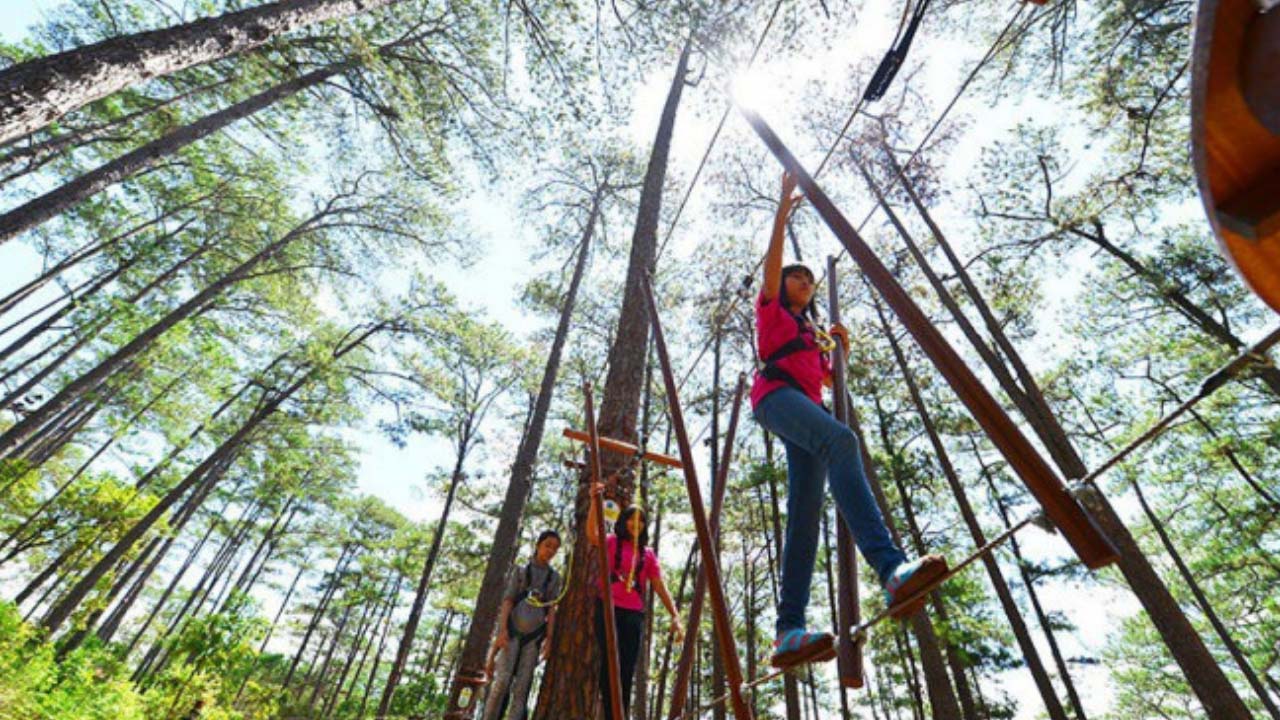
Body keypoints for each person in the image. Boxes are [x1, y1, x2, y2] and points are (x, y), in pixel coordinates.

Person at [751, 170, 947, 670]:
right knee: (842, 442)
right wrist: (780, 210)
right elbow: (771, 267)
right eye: (798, 275)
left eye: (808, 279)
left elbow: (827, 384)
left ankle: (787, 630)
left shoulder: (814, 335)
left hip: (805, 409)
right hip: (776, 399)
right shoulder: (774, 313)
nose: (804, 281)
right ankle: (890, 568)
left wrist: (842, 351)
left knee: (804, 516)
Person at [586, 485, 683, 720]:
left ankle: (620, 714)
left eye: (640, 522)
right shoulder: (611, 542)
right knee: (610, 659)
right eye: (631, 520)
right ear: (623, 522)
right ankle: (610, 712)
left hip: (633, 613)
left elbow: (659, 585)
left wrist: (675, 615)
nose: (635, 525)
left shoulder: (647, 554)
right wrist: (593, 502)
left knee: (627, 667)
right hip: (608, 607)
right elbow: (592, 534)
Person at [483, 531, 563, 720]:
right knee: (501, 682)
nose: (551, 550)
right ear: (538, 545)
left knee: (522, 688)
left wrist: (549, 639)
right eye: (548, 545)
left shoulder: (554, 578)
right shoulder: (520, 571)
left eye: (555, 548)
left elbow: (551, 609)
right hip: (511, 633)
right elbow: (508, 601)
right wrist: (501, 631)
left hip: (534, 638)